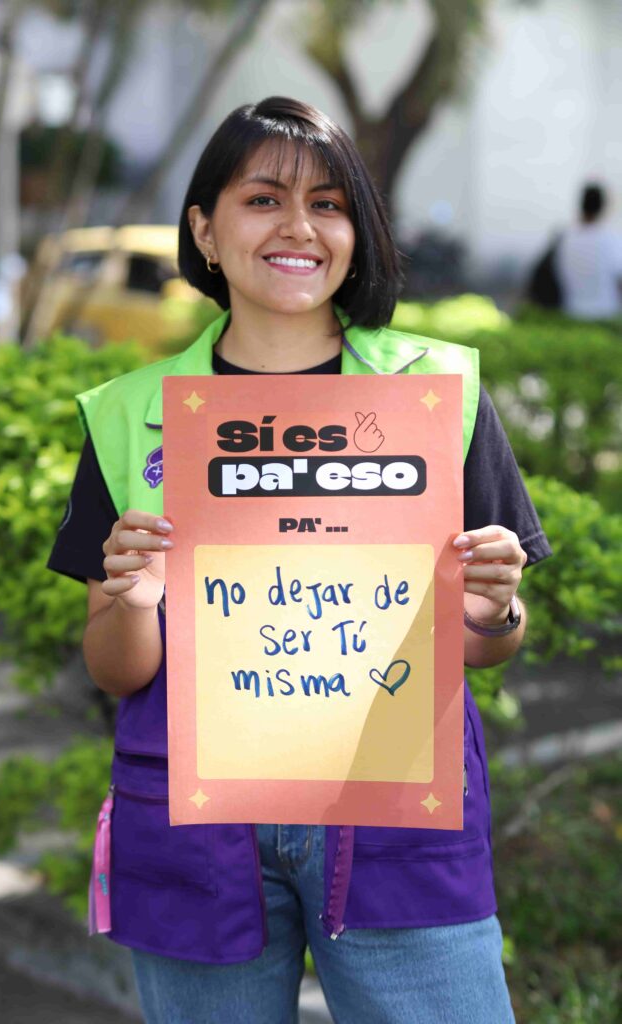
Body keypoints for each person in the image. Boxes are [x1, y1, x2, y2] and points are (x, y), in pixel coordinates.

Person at [48, 97, 551, 1024]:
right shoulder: (132, 413)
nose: (298, 228)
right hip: (195, 821)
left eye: (328, 204)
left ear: (357, 231)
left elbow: (486, 645)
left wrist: (493, 612)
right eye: (262, 199)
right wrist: (131, 601)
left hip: (396, 813)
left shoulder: (434, 394)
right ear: (204, 229)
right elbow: (116, 669)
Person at [555, 183, 622, 320]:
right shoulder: (611, 239)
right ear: (603, 207)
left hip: (572, 313)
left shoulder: (566, 239)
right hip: (606, 315)